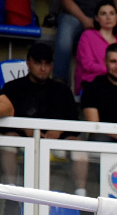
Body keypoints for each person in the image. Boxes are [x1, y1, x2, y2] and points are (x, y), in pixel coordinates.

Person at [0, 43, 85, 198]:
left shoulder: (62, 91)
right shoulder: (13, 88)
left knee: (79, 145)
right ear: (28, 63)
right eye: (38, 63)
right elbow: (4, 124)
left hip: (58, 143)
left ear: (52, 65)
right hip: (23, 142)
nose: (43, 68)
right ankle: (10, 195)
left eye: (47, 64)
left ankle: (81, 197)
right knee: (8, 141)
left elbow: (75, 122)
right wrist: (24, 130)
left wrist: (59, 131)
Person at [73, 0, 117, 95]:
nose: (108, 17)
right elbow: (88, 65)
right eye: (103, 14)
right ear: (97, 18)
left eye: (112, 13)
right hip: (92, 82)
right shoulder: (87, 36)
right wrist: (116, 71)